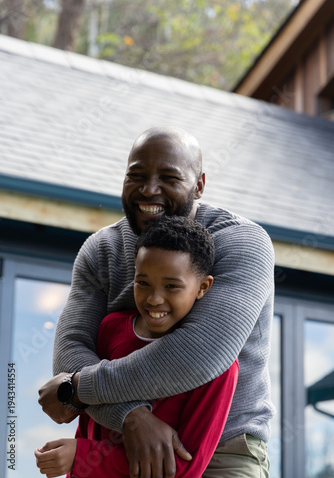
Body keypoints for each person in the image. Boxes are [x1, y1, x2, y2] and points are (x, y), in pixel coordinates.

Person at [38, 126, 275, 478]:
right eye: (136, 175)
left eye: (168, 177)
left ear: (199, 185)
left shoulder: (241, 241)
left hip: (223, 447)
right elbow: (72, 351)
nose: (149, 189)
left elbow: (199, 354)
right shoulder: (101, 250)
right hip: (115, 442)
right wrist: (131, 416)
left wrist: (76, 390)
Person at [35, 216, 239, 477]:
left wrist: (82, 456)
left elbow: (186, 467)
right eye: (143, 283)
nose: (154, 299)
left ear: (203, 287)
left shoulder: (219, 367)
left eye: (172, 286)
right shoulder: (110, 329)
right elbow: (89, 422)